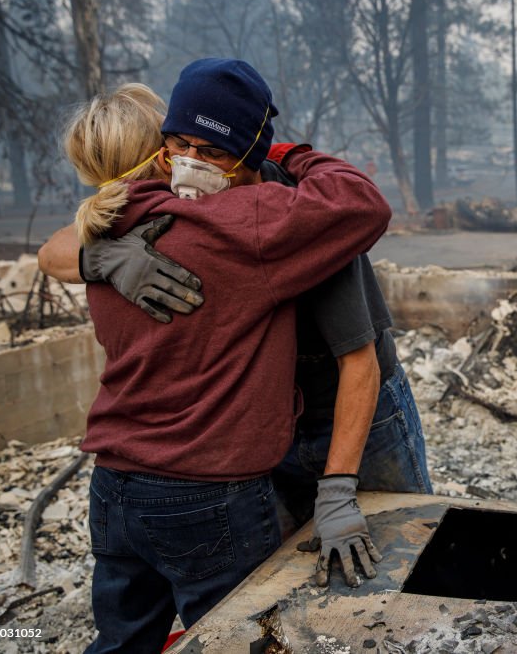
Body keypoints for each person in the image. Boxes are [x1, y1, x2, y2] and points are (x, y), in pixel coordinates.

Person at [40, 59, 432, 592]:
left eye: (212, 152)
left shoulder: (301, 219)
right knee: (302, 584)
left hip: (354, 414)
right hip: (265, 424)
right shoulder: (171, 204)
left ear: (248, 155)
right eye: (178, 146)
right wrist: (102, 258)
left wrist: (338, 488)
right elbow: (57, 247)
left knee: (399, 562)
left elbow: (358, 361)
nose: (189, 166)